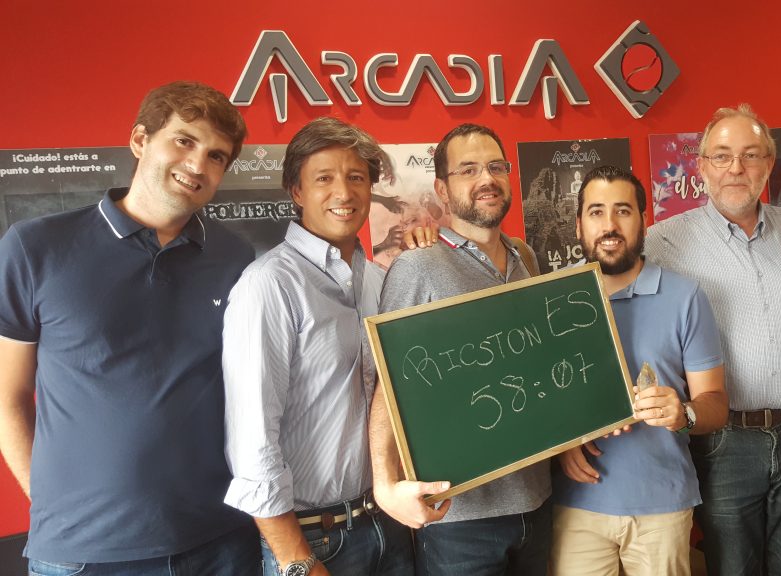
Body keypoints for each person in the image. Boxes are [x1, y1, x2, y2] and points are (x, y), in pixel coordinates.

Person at [0, 81, 259, 575]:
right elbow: (6, 396)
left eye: (216, 156)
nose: (197, 165)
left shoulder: (235, 256)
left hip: (220, 542)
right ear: (140, 140)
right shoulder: (35, 247)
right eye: (184, 140)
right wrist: (50, 501)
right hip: (83, 553)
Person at [645, 103, 781, 575]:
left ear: (768, 164)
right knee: (734, 567)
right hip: (724, 443)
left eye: (751, 155)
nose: (736, 168)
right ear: (702, 167)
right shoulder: (663, 242)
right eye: (721, 156)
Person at [222, 118, 414, 576]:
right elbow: (253, 438)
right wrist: (295, 559)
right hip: (315, 539)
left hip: (390, 524)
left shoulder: (381, 282)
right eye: (324, 178)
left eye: (356, 177)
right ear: (297, 191)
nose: (343, 192)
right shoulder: (269, 285)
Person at [369, 123, 551, 575]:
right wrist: (384, 485)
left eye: (496, 167)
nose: (486, 179)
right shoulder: (417, 267)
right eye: (468, 169)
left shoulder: (526, 259)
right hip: (459, 517)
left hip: (538, 500)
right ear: (442, 190)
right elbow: (390, 383)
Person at [550, 165, 728, 576]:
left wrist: (684, 413)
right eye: (596, 212)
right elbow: (533, 399)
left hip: (662, 506)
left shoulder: (686, 297)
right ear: (578, 225)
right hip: (576, 504)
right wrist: (560, 443)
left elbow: (716, 404)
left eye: (623, 211)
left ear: (643, 221)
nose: (609, 225)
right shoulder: (552, 296)